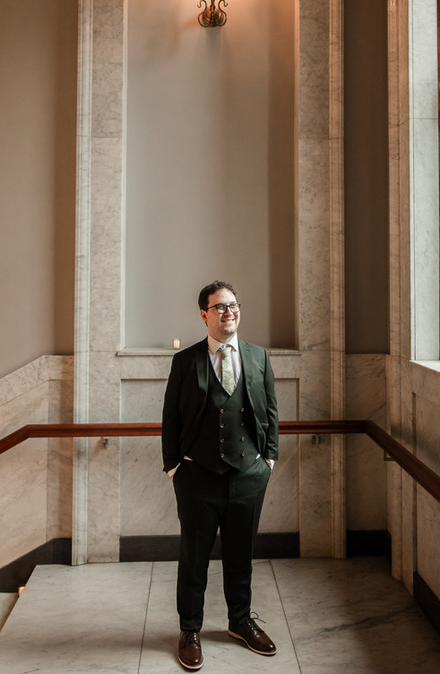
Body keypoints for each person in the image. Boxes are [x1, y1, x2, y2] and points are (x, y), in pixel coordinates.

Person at [162, 280, 279, 670]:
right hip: (197, 475)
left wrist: (269, 461)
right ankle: (190, 629)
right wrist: (174, 467)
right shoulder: (187, 361)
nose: (229, 312)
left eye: (233, 305)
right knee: (194, 556)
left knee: (240, 553)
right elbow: (171, 419)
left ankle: (240, 621)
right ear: (204, 315)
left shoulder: (258, 356)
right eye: (220, 307)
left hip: (248, 475)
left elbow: (271, 413)